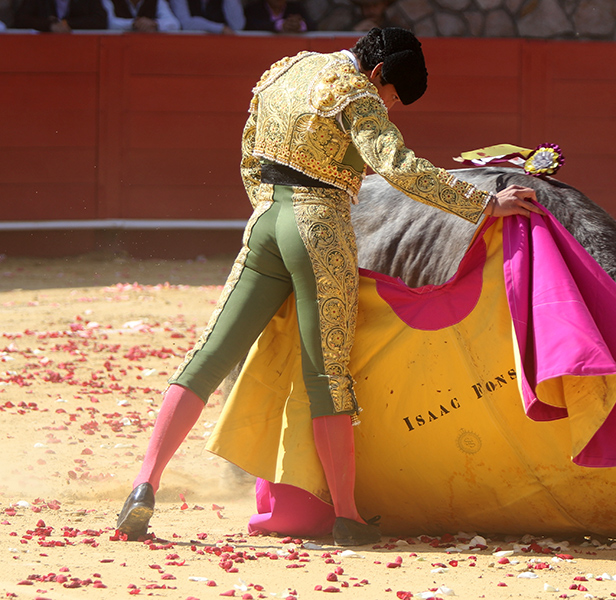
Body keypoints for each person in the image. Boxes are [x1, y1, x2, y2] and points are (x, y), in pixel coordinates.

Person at [114, 26, 541, 547]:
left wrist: (270, 209)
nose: (389, 107)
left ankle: (143, 485)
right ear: (378, 72)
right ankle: (347, 517)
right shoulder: (356, 91)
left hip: (266, 220)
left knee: (208, 356)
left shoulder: (287, 68)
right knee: (328, 377)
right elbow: (397, 166)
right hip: (320, 230)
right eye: (391, 96)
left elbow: (249, 151)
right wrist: (483, 203)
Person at [13, 0, 107, 31]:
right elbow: (20, 20)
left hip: (80, 51)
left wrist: (67, 23)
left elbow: (100, 20)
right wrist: (49, 25)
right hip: (40, 50)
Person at [168, 0, 243, 34]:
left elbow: (237, 25)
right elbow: (185, 23)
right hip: (188, 47)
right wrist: (220, 28)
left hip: (219, 48)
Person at [102, 0, 179, 31]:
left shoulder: (157, 1)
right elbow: (109, 23)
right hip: (117, 48)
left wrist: (155, 24)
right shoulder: (110, 1)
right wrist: (133, 24)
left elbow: (174, 24)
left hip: (148, 47)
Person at [243, 0, 309, 33]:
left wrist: (299, 25)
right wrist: (280, 25)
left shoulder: (296, 8)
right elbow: (251, 25)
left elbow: (311, 25)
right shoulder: (253, 9)